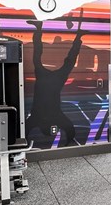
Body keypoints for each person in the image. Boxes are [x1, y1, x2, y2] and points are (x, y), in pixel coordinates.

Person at [25, 11, 88, 146]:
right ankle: (40, 28)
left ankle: (77, 37)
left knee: (68, 62)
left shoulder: (48, 119)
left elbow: (69, 128)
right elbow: (70, 129)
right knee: (38, 59)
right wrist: (69, 140)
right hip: (48, 81)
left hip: (51, 82)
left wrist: (69, 139)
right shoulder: (36, 119)